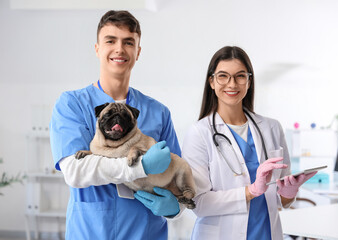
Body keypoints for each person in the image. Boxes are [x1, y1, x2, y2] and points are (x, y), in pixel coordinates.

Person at [50, 10, 181, 240]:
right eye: (110, 41)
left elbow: (176, 177)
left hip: (146, 233)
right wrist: (140, 167)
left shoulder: (159, 112)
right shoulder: (72, 105)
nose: (119, 49)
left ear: (138, 52)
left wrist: (175, 209)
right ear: (97, 48)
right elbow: (75, 171)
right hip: (91, 232)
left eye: (128, 42)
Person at [182, 46, 316, 240]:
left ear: (249, 81)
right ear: (211, 81)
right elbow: (198, 203)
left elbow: (281, 201)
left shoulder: (271, 127)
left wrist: (290, 191)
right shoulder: (199, 133)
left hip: (267, 233)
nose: (232, 84)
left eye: (240, 76)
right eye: (223, 76)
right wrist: (251, 191)